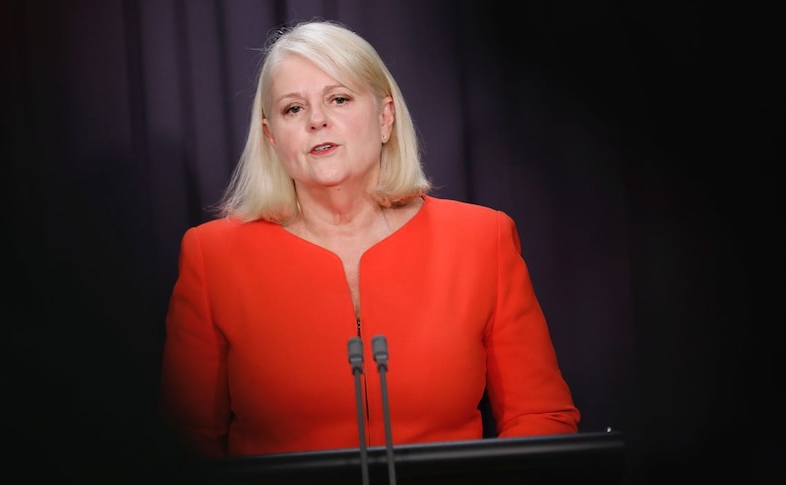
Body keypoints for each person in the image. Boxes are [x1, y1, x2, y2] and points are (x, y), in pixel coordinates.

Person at [160, 19, 580, 458]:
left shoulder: (481, 240)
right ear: (271, 138)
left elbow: (540, 416)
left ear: (385, 118)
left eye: (338, 99)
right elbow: (186, 445)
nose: (317, 121)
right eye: (293, 109)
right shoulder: (213, 257)